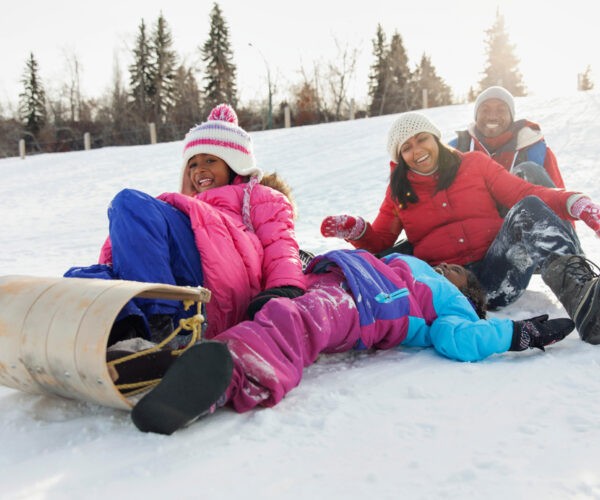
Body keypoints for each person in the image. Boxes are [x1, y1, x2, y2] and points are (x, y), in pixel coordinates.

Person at [129, 249, 575, 435]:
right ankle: (192, 365)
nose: (445, 267)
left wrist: (517, 333)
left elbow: (460, 339)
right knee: (272, 310)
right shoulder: (409, 260)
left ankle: (235, 376)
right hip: (337, 278)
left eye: (456, 271)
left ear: (470, 292)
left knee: (300, 322)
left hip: (373, 304)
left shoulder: (454, 304)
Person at [65, 104, 306, 344]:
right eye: (192, 164)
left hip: (217, 291)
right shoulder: (184, 210)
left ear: (234, 164)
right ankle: (122, 332)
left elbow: (280, 246)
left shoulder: (261, 197)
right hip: (183, 291)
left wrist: (284, 288)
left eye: (210, 160)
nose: (199, 169)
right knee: (85, 280)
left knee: (129, 202)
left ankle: (159, 322)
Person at [320, 112, 600, 315]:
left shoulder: (475, 164)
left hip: (499, 270)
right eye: (406, 147)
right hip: (451, 287)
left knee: (528, 209)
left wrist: (574, 202)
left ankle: (585, 301)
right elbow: (381, 241)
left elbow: (522, 193)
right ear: (400, 157)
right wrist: (357, 231)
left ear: (436, 139)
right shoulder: (398, 193)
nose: (417, 150)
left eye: (422, 139)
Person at [448, 85, 565, 190]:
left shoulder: (535, 150)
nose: (492, 117)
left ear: (511, 117)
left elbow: (560, 200)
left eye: (501, 110)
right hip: (470, 212)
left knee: (529, 170)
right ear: (476, 116)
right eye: (485, 110)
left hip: (520, 211)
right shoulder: (456, 148)